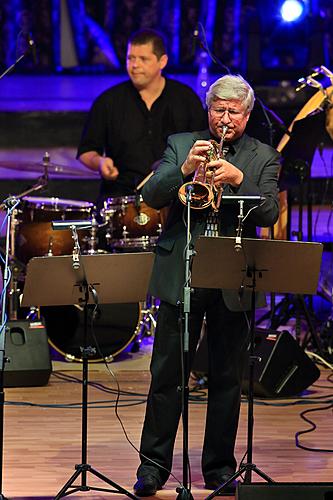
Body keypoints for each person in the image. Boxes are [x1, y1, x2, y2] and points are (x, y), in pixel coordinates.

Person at [134, 74, 281, 496]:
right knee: (167, 374)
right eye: (219, 109)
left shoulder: (263, 156)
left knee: (226, 378)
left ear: (248, 115)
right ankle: (153, 468)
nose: (225, 118)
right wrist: (184, 170)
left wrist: (237, 180)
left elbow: (269, 212)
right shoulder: (182, 143)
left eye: (234, 111)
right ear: (209, 109)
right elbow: (154, 195)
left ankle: (218, 467)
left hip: (232, 276)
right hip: (182, 268)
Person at [77, 28, 207, 212]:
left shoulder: (186, 99)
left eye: (143, 59)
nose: (134, 65)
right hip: (121, 197)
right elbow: (86, 151)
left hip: (173, 198)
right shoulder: (108, 101)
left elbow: (204, 146)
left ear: (162, 61)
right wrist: (100, 163)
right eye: (130, 58)